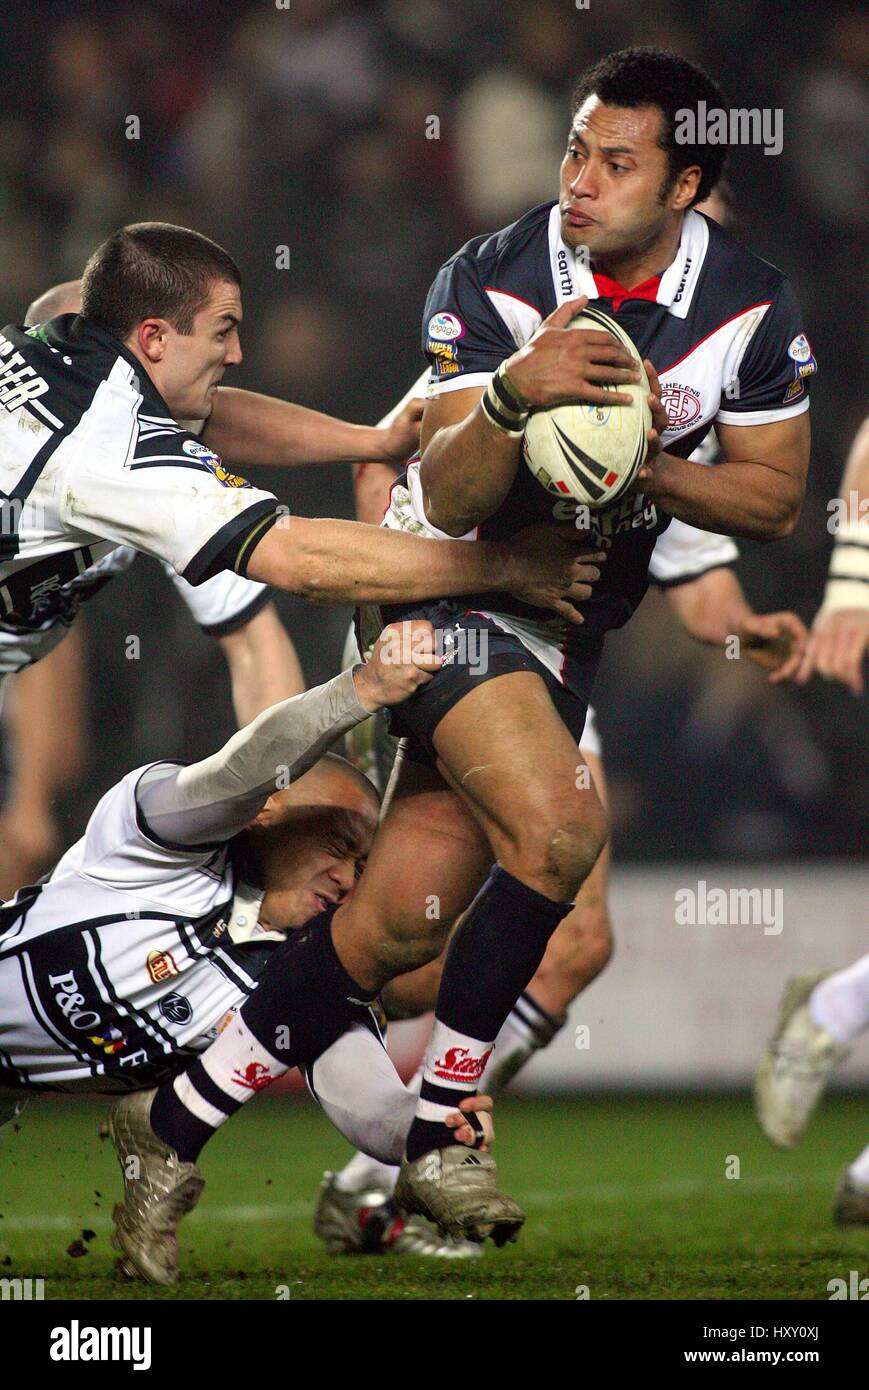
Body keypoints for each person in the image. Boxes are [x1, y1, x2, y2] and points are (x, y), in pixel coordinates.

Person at [311, 46, 815, 1238]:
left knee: (435, 929)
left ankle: (268, 1051)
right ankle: (407, 1145)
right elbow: (400, 453)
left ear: (686, 193)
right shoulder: (496, 276)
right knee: (549, 871)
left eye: (616, 164)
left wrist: (734, 621)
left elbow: (722, 524)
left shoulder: (727, 320)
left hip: (564, 635)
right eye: (576, 152)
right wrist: (376, 576)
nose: (581, 182)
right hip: (453, 599)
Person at [0, 619, 493, 1283]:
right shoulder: (149, 842)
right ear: (268, 813)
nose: (350, 879)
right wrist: (362, 689)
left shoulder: (306, 975)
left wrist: (433, 1131)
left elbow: (368, 1104)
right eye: (339, 844)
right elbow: (242, 769)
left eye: (365, 864)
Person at [0, 279, 305, 897]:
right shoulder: (58, 447)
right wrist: (31, 796)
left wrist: (288, 799)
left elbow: (255, 641)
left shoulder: (140, 460)